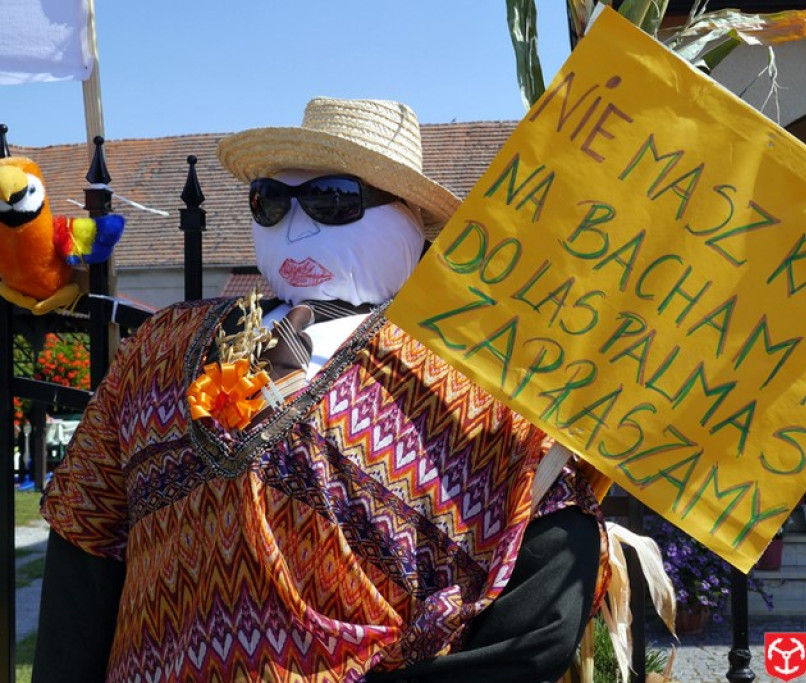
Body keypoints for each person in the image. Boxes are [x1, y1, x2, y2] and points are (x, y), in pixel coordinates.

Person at [33, 97, 608, 682]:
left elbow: (546, 598)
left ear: (409, 218)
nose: (296, 226)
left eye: (334, 201)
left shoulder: (467, 386)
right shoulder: (160, 349)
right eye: (272, 201)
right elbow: (85, 538)